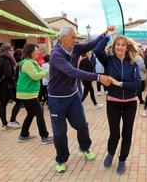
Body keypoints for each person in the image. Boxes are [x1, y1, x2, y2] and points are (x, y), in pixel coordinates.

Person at [48, 26, 113, 173]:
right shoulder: (56, 54)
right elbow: (72, 72)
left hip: (72, 96)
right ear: (62, 37)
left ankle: (84, 147)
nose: (75, 40)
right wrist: (98, 77)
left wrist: (104, 33)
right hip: (57, 99)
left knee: (82, 125)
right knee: (60, 132)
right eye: (73, 37)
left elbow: (91, 45)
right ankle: (61, 159)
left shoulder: (75, 49)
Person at [95, 33, 141, 175]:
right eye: (117, 44)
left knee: (127, 133)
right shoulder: (108, 60)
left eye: (122, 45)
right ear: (114, 47)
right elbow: (97, 50)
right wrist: (107, 36)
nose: (120, 47)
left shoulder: (133, 63)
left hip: (130, 103)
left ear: (127, 48)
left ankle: (122, 160)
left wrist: (119, 83)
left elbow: (137, 85)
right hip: (113, 102)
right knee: (114, 133)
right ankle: (110, 153)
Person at [16, 43, 53, 144]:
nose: (38, 52)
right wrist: (48, 72)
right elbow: (35, 76)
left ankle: (23, 135)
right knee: (39, 112)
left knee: (31, 114)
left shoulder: (33, 62)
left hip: (28, 93)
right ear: (30, 52)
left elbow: (42, 72)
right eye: (36, 51)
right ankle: (44, 136)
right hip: (27, 93)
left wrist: (49, 71)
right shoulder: (27, 63)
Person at [0, 43, 21, 130]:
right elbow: (8, 74)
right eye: (11, 50)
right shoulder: (7, 60)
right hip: (7, 86)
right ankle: (12, 121)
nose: (13, 51)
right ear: (7, 51)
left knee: (3, 105)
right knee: (19, 101)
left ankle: (5, 124)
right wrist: (14, 82)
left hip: (0, 85)